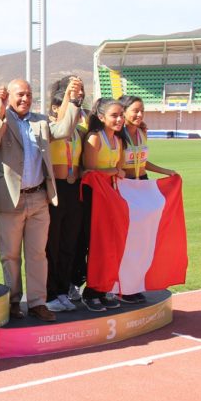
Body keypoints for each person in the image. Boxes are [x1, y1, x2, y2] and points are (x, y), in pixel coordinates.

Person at [0, 78, 81, 322]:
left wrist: (74, 101)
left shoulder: (40, 120)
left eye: (28, 94)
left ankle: (37, 302)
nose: (25, 99)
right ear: (9, 96)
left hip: (39, 198)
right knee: (11, 256)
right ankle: (14, 301)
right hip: (10, 200)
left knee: (38, 254)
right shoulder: (2, 118)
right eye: (20, 95)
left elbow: (64, 130)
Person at [116, 94, 177, 304]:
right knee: (127, 240)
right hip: (124, 189)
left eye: (142, 110)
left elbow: (142, 160)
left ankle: (133, 285)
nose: (140, 114)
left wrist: (165, 171)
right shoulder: (117, 135)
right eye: (135, 110)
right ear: (123, 112)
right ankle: (120, 287)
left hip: (141, 184)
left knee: (142, 239)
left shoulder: (142, 133)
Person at [79, 98, 125, 312]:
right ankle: (90, 291)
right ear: (101, 117)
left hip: (110, 198)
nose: (119, 119)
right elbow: (88, 172)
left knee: (110, 243)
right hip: (94, 197)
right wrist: (113, 172)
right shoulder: (95, 139)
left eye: (121, 115)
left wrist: (117, 173)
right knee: (96, 243)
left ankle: (104, 287)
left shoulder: (118, 141)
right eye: (114, 115)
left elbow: (120, 170)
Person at [43, 86, 84, 313]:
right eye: (68, 106)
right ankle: (49, 292)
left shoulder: (79, 132)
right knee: (52, 244)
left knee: (69, 243)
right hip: (55, 191)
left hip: (74, 190)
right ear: (55, 109)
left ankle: (63, 289)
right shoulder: (48, 130)